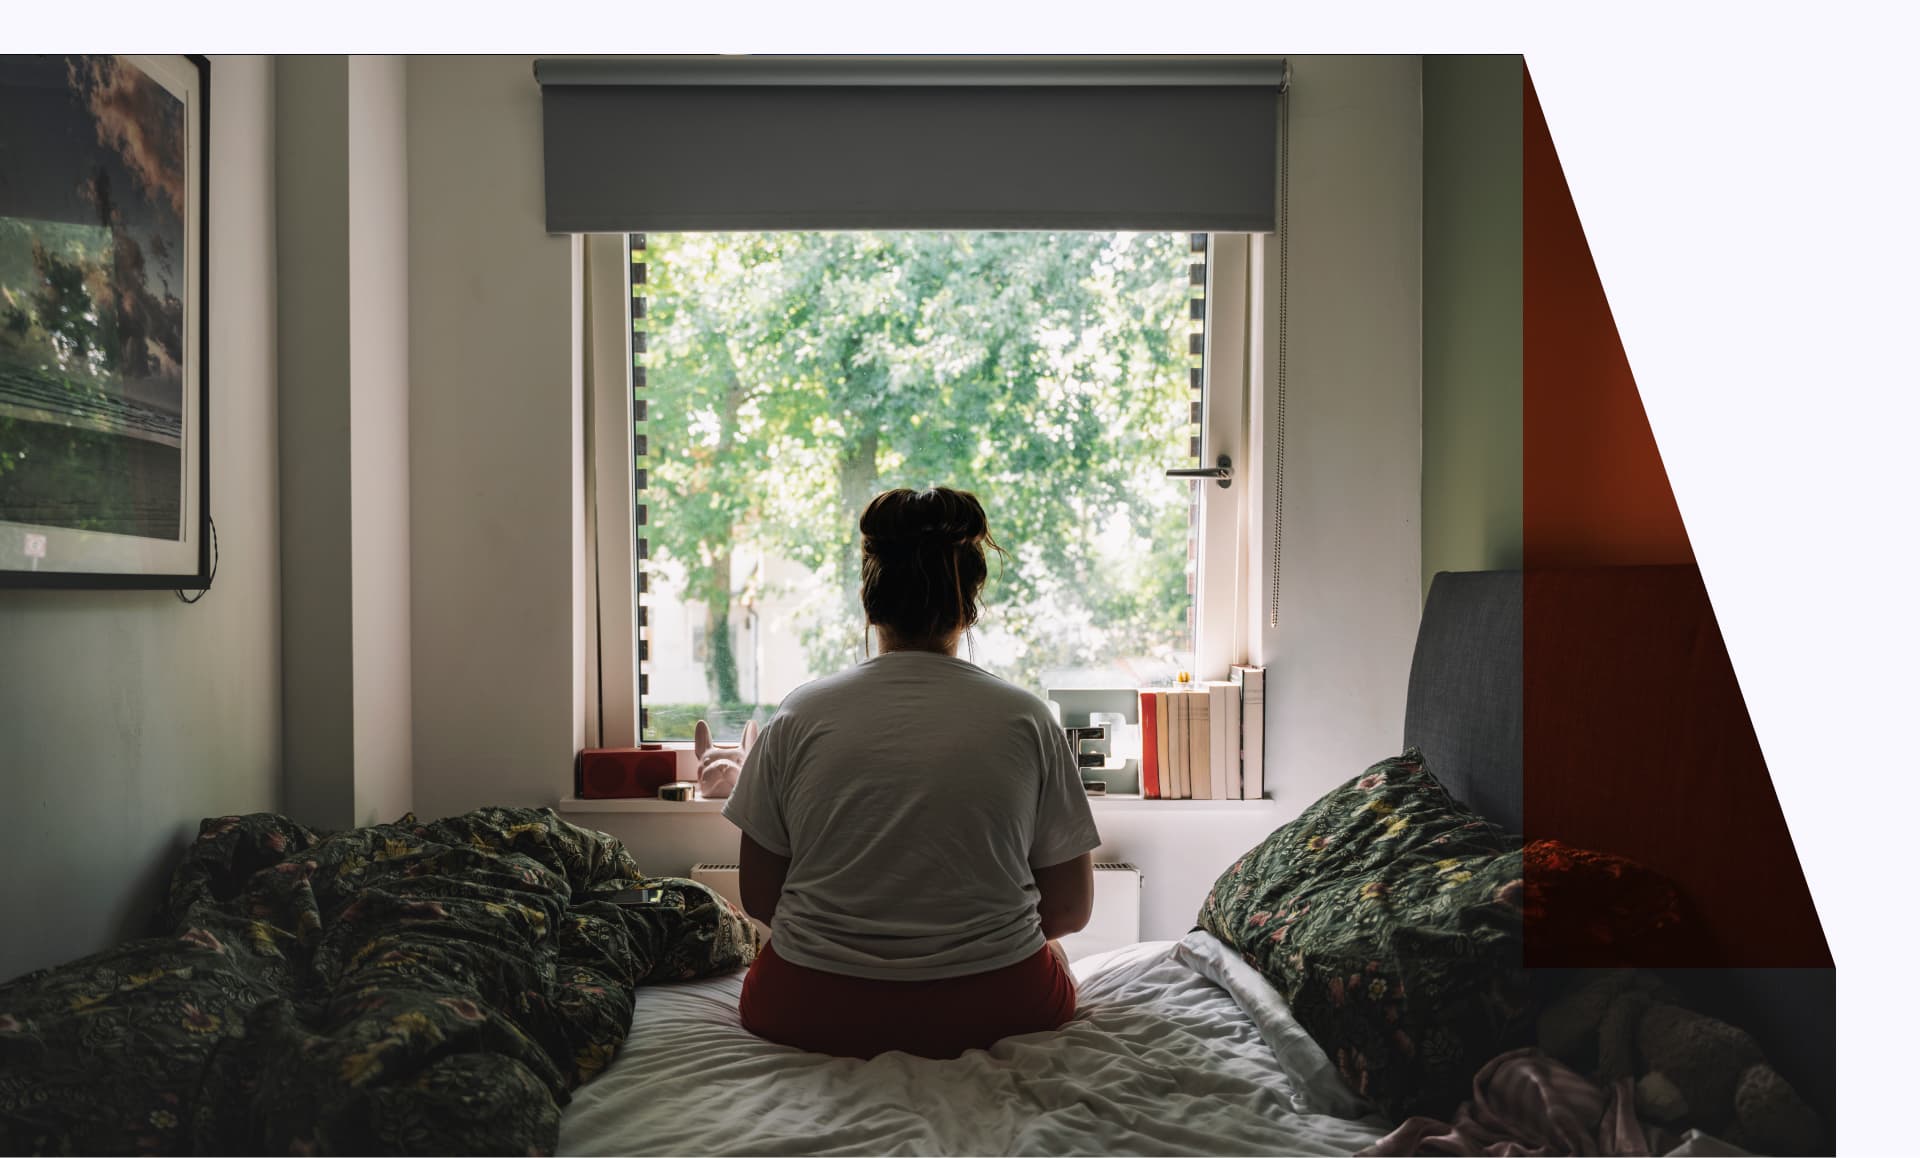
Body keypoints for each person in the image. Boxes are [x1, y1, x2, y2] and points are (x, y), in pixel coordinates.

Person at [723, 486, 1101, 1060]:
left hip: (807, 1007)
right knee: (1059, 956)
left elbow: (758, 895)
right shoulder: (1026, 719)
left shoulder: (799, 714)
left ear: (870, 601)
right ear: (969, 604)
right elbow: (1071, 910)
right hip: (998, 1007)